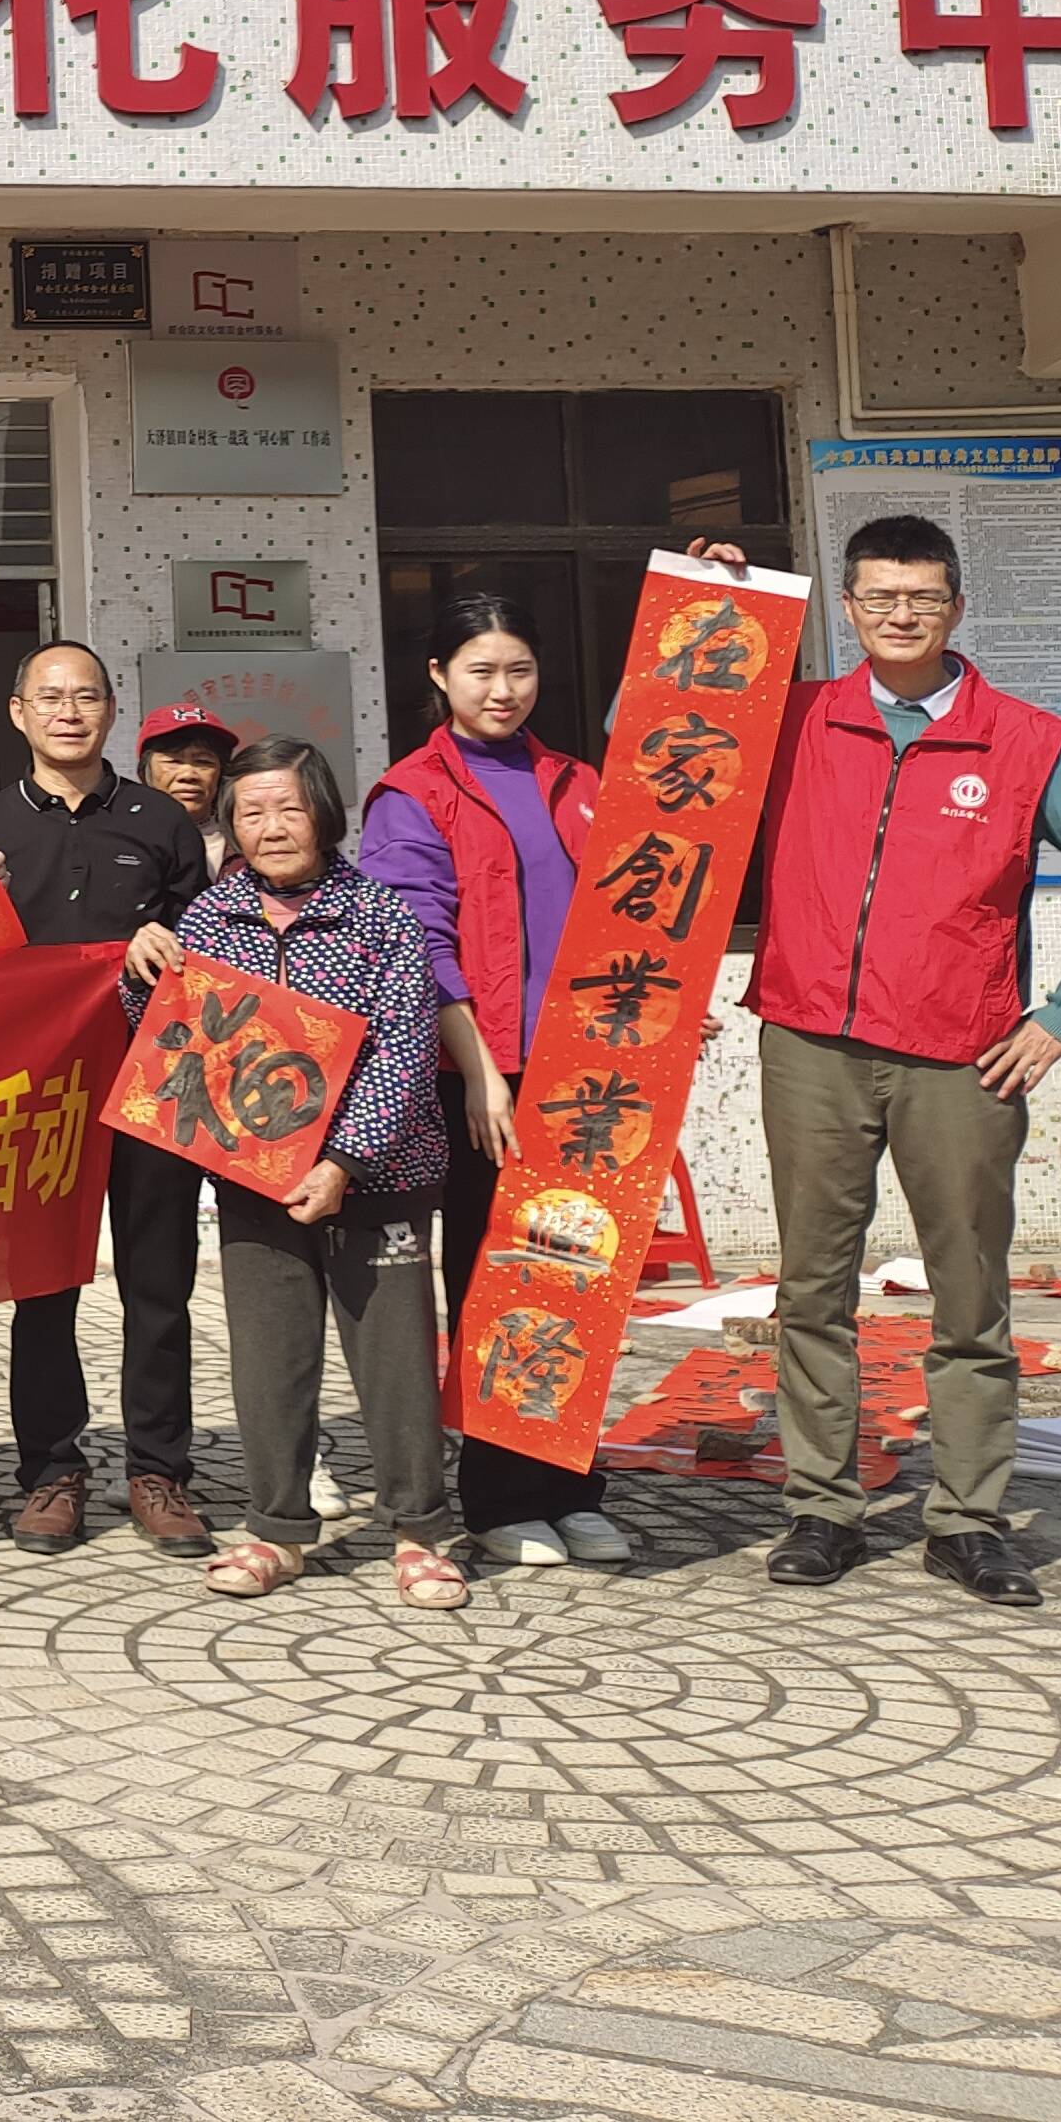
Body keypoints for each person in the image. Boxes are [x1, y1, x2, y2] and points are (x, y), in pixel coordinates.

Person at [694, 516, 1061, 1611]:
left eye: (921, 597)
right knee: (812, 1288)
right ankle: (822, 1509)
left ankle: (967, 1522)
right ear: (848, 608)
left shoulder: (1025, 741)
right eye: (878, 596)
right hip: (811, 1043)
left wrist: (1058, 1020)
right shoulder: (797, 718)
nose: (899, 614)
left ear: (956, 608)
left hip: (962, 1060)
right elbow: (652, 747)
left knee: (969, 1295)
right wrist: (714, 615)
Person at [164, 740, 467, 1614]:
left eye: (289, 809)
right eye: (251, 812)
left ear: (325, 814)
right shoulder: (209, 919)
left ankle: (417, 1532)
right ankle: (276, 1528)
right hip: (255, 1177)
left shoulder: (380, 915)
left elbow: (405, 1050)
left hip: (380, 1177)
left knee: (395, 1360)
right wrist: (143, 975)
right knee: (270, 1358)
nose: (271, 828)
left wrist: (342, 1162)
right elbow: (180, 1042)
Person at [360, 595, 628, 1571]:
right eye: (480, 670)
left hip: (587, 1071)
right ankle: (500, 1494)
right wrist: (478, 1074)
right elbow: (419, 944)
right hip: (482, 1072)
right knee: (494, 1275)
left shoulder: (578, 781)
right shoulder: (410, 794)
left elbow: (626, 912)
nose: (502, 690)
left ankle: (571, 1483)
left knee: (577, 1269)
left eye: (518, 669)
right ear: (438, 675)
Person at [0, 641, 206, 1555]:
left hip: (154, 1085)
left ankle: (159, 1470)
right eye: (50, 698)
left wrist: (165, 938)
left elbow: (208, 946)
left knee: (161, 1286)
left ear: (113, 711)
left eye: (86, 697)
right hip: (42, 1093)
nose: (69, 712)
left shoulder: (162, 820)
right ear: (18, 713)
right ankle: (51, 1470)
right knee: (44, 1288)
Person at [137, 706, 235, 880]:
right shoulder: (123, 838)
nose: (188, 775)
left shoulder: (244, 843)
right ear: (145, 772)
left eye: (203, 761)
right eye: (173, 761)